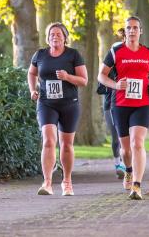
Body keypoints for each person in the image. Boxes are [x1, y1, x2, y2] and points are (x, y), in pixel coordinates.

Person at [97, 16, 149, 200]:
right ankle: (129, 171)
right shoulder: (116, 51)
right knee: (125, 150)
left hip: (142, 104)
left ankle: (137, 185)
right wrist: (116, 85)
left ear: (141, 31)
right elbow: (101, 76)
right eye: (128, 28)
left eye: (135, 28)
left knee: (137, 143)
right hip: (120, 104)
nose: (132, 31)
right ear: (124, 31)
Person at [28, 22, 88, 196]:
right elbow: (31, 73)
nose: (55, 37)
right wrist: (33, 89)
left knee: (67, 145)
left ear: (65, 37)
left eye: (58, 34)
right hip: (47, 103)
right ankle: (47, 182)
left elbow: (84, 81)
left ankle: (67, 182)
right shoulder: (40, 54)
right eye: (52, 34)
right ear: (47, 38)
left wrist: (67, 76)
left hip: (69, 104)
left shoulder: (73, 55)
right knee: (48, 140)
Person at [97, 28, 127, 179]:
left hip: (129, 103)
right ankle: (118, 164)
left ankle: (128, 164)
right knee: (116, 136)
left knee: (128, 136)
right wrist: (114, 83)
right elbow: (100, 83)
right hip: (110, 103)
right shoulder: (108, 63)